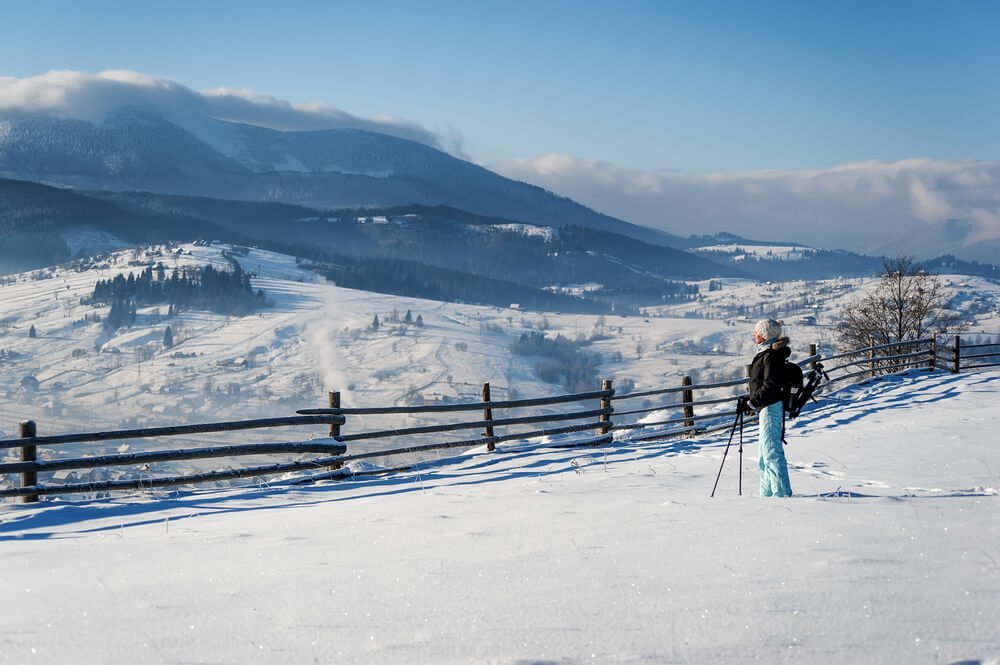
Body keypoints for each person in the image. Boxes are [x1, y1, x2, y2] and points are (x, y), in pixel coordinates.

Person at [747, 318, 793, 497]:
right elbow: (762, 383)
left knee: (771, 451)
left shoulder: (770, 356)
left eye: (757, 332)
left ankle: (780, 493)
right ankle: (766, 493)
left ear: (764, 335)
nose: (754, 334)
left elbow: (771, 384)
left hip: (771, 406)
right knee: (763, 454)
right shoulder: (767, 354)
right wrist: (750, 398)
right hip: (766, 406)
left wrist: (753, 401)